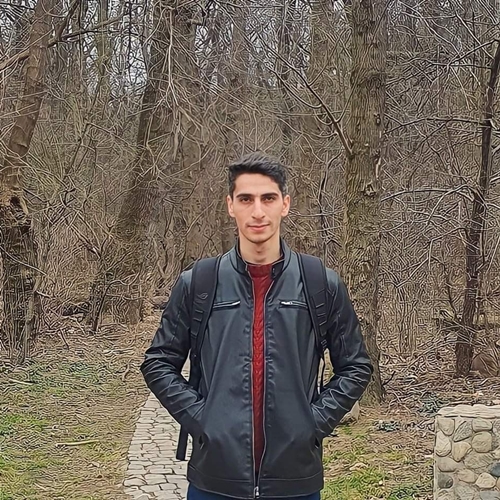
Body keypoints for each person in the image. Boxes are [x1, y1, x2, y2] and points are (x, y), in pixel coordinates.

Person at [141, 152, 373, 500]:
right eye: (246, 199)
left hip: (295, 480)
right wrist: (202, 419)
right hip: (214, 479)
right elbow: (158, 363)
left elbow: (355, 366)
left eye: (268, 198)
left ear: (285, 204)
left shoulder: (319, 283)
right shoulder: (200, 283)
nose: (258, 211)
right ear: (230, 206)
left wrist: (312, 424)